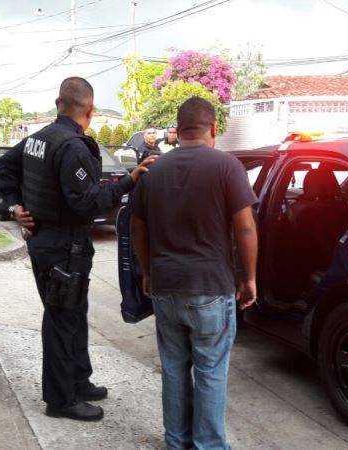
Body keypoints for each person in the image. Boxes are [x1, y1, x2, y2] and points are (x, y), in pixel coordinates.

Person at [0, 76, 154, 422]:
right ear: (90, 110)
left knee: (74, 313)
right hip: (63, 247)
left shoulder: (37, 139)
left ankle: (79, 381)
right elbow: (88, 203)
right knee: (61, 320)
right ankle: (61, 399)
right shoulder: (72, 147)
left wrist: (13, 205)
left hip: (46, 243)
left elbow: (2, 168)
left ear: (58, 103)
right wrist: (129, 181)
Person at [130, 97, 258, 449]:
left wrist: (147, 272)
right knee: (210, 371)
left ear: (179, 128)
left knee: (173, 369)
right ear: (213, 128)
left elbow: (137, 227)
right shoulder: (227, 166)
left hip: (165, 287)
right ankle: (208, 446)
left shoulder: (154, 170)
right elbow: (245, 228)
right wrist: (249, 278)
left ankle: (177, 442)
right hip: (210, 288)